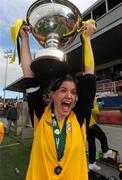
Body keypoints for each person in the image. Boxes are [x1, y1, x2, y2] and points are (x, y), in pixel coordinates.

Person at [19, 18, 96, 180]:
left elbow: (89, 76)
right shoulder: (40, 114)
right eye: (63, 90)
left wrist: (87, 39)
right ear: (52, 94)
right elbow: (29, 76)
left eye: (73, 92)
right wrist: (24, 38)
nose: (69, 96)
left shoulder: (80, 117)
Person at [87, 98, 112, 171]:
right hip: (91, 125)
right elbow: (96, 112)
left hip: (86, 128)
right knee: (102, 136)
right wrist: (95, 103)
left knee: (91, 145)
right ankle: (105, 151)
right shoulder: (86, 103)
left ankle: (91, 163)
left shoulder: (80, 104)